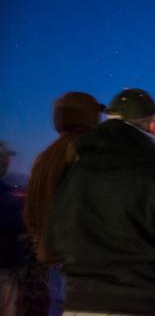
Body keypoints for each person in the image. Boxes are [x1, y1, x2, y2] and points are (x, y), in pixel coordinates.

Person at [45, 88, 155, 315]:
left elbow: (52, 244)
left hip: (80, 304)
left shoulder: (76, 174)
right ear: (151, 126)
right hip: (141, 304)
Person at [23, 91, 104, 316]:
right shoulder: (86, 155)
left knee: (58, 305)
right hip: (83, 258)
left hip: (54, 255)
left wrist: (43, 239)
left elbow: (30, 213)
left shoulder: (45, 158)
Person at [0, 141, 26, 316]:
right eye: (4, 158)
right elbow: (15, 224)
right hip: (4, 265)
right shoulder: (6, 196)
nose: (7, 162)